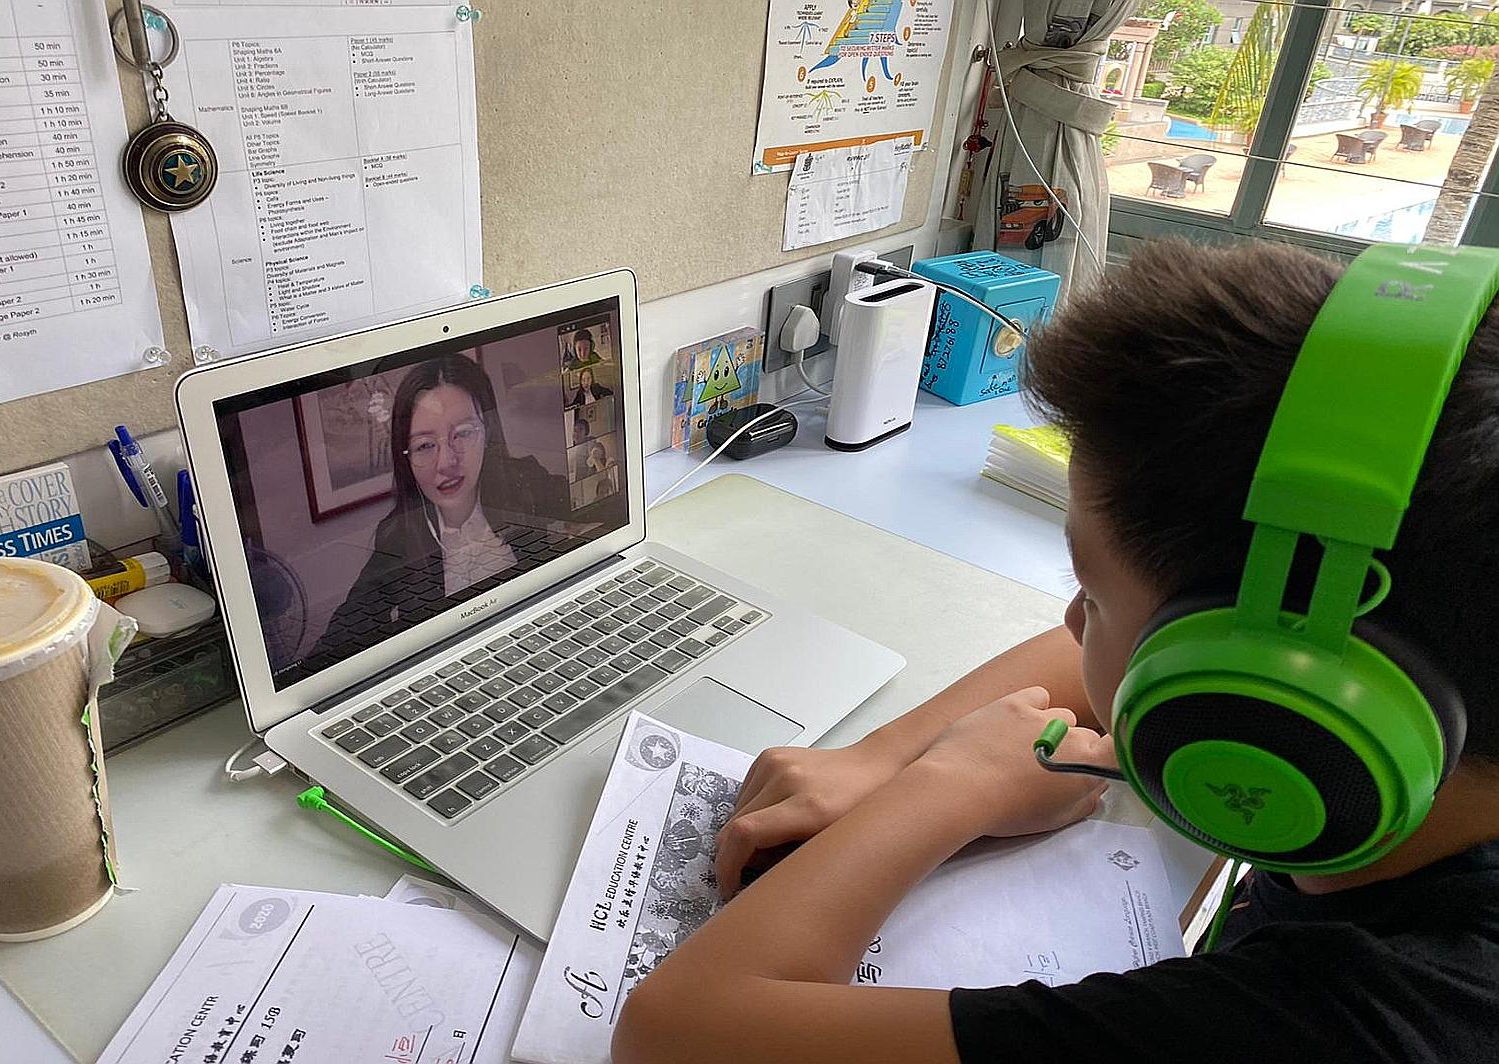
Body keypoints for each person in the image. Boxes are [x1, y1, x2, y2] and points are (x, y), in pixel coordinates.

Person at [611, 242, 1499, 1064]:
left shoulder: (1365, 1020)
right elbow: (1089, 655)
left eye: (1095, 594)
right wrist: (873, 760)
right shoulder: (1437, 700)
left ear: (1257, 699)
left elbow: (676, 1032)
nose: (1072, 622)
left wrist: (951, 785)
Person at [317, 356, 518, 657]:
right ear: (406, 458)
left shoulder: (529, 484)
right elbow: (337, 644)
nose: (446, 462)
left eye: (463, 433)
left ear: (487, 432)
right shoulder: (398, 536)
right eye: (425, 445)